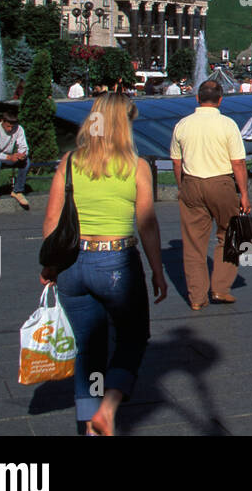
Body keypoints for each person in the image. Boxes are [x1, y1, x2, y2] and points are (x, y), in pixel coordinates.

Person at [40, 93, 166, 435]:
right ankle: (107, 410)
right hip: (117, 262)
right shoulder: (137, 166)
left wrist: (50, 265)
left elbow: (51, 220)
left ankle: (90, 425)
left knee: (88, 349)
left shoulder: (69, 162)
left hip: (72, 264)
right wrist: (157, 270)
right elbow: (147, 224)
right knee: (133, 337)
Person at [168, 80, 251, 310]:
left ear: (197, 98)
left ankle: (196, 298)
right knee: (234, 233)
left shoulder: (182, 125)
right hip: (222, 183)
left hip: (191, 184)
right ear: (220, 100)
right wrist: (244, 193)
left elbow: (177, 162)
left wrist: (182, 187)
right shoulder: (228, 124)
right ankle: (221, 287)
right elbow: (238, 163)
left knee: (194, 243)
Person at [0, 108, 32, 209]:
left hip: (6, 157)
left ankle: (18, 191)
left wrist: (22, 154)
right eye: (8, 126)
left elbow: (23, 146)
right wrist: (9, 157)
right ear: (2, 121)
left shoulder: (19, 129)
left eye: (12, 127)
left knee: (26, 162)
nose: (10, 129)